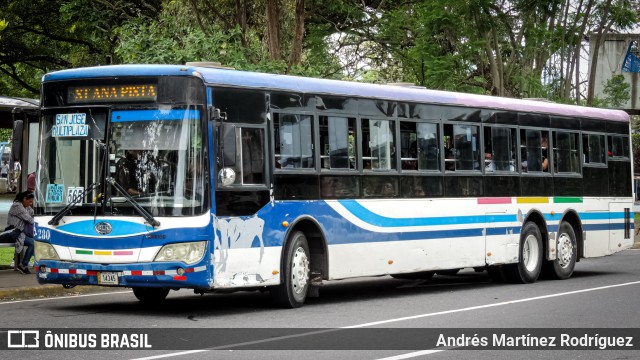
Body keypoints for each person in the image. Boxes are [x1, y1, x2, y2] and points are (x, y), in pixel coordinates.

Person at [8, 191, 35, 275]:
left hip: (22, 232)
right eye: (29, 201)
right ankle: (23, 265)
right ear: (24, 199)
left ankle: (36, 262)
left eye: (32, 201)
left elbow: (34, 214)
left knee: (39, 241)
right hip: (14, 232)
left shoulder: (26, 206)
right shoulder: (17, 206)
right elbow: (30, 219)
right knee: (33, 243)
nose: (31, 203)